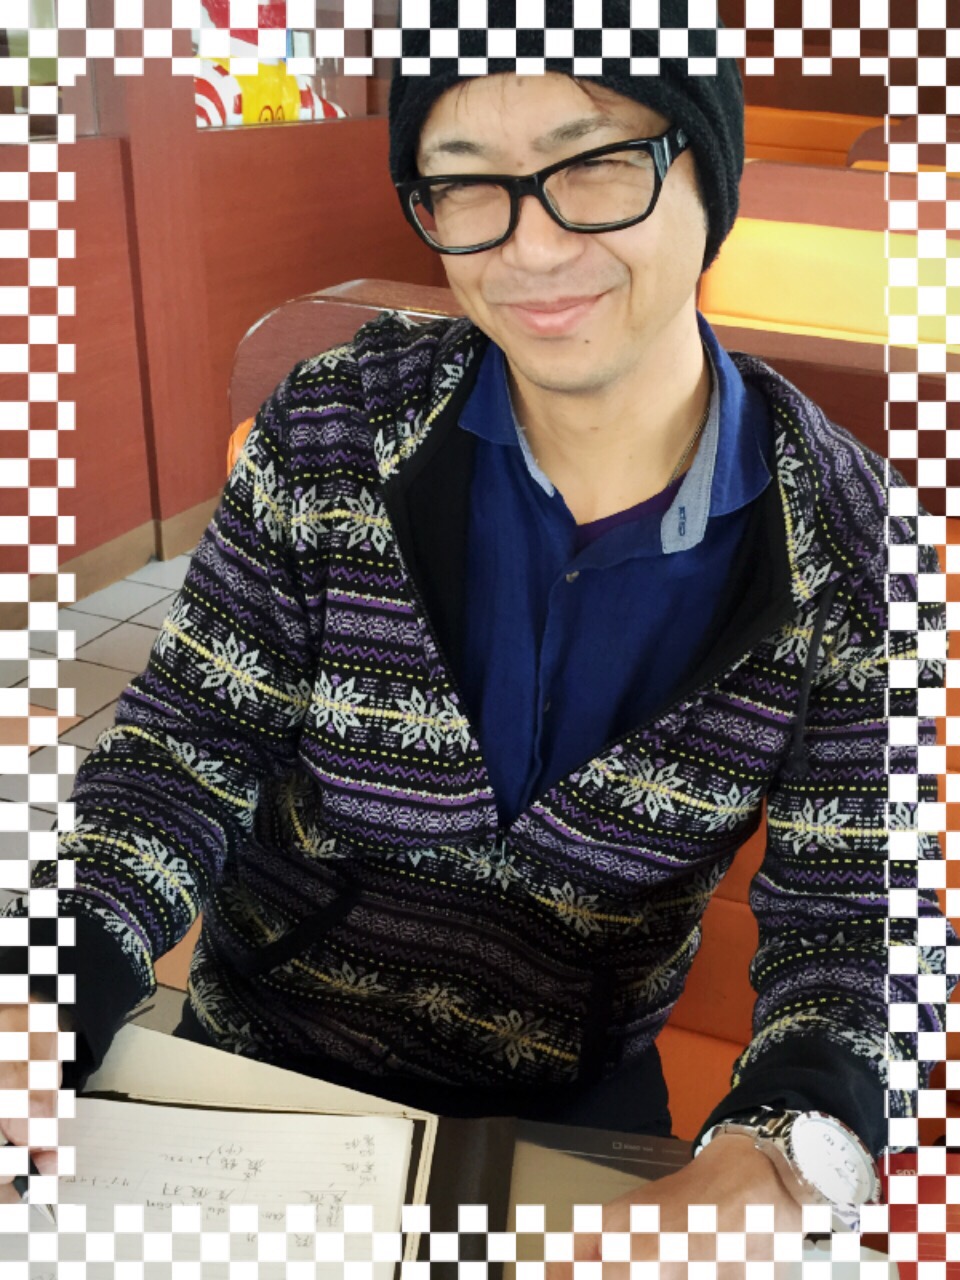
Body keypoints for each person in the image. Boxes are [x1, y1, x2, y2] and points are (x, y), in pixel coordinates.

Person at [1, 2, 954, 1269]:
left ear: (707, 174)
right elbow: (184, 750)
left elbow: (861, 912)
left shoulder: (856, 546)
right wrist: (48, 983)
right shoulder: (334, 428)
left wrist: (787, 1150)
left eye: (594, 163)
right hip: (259, 1084)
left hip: (567, 1114)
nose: (532, 246)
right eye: (466, 183)